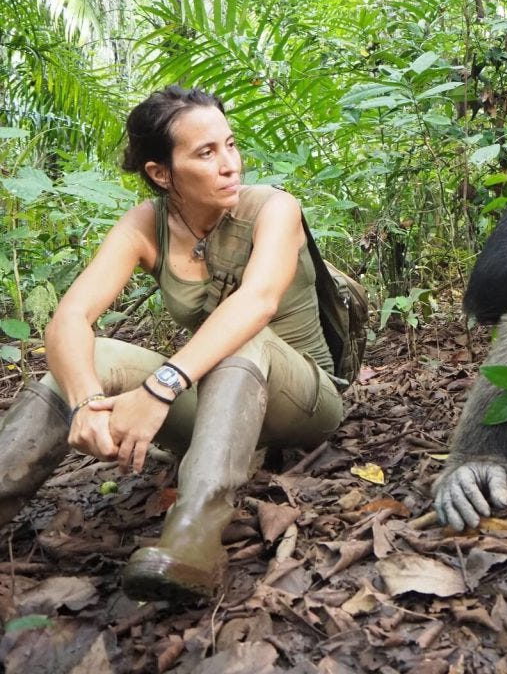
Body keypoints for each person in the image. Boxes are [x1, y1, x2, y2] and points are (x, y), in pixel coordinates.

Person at [0, 86, 346, 602]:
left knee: (240, 335)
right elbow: (70, 318)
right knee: (93, 356)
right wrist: (87, 403)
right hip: (219, 411)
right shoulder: (147, 225)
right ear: (162, 173)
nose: (230, 164)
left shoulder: (275, 208)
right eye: (206, 153)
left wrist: (160, 387)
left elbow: (256, 304)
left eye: (230, 145)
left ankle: (193, 540)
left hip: (304, 400)